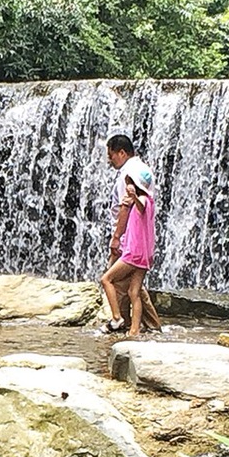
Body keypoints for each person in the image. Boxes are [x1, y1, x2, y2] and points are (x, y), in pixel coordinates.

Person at [101, 132, 162, 336]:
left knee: (115, 282)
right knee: (133, 288)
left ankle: (121, 322)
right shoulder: (143, 169)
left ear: (121, 152)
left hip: (130, 241)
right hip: (139, 244)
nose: (109, 160)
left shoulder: (130, 175)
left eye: (111, 155)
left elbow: (124, 208)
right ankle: (140, 326)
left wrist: (116, 238)